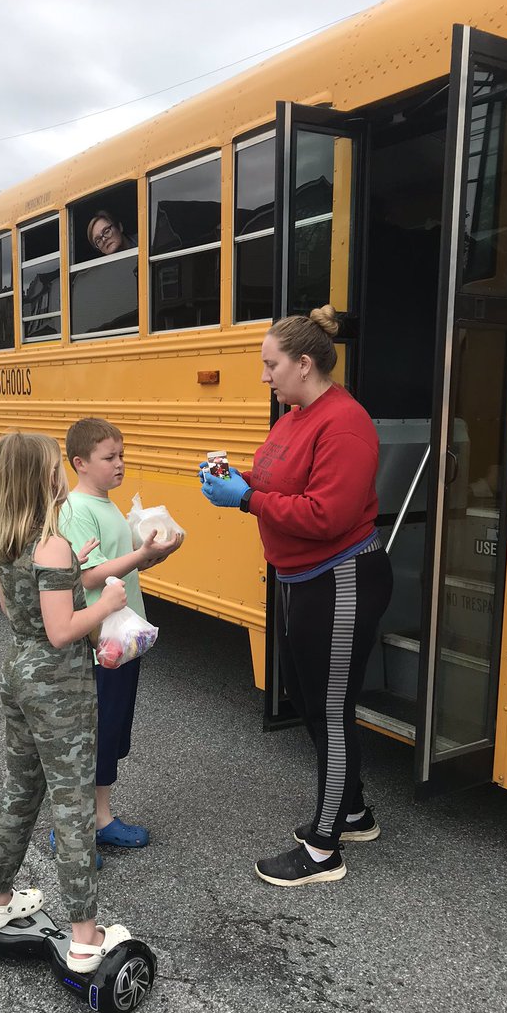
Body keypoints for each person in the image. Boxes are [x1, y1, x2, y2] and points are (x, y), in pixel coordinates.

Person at [200, 305, 393, 888]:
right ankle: (353, 813)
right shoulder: (295, 415)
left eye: (271, 365)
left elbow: (326, 515)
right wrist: (237, 478)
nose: (265, 376)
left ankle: (323, 849)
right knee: (311, 704)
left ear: (304, 364)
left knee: (330, 711)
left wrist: (245, 500)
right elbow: (280, 481)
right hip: (302, 580)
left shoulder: (345, 424)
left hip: (341, 578)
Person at [0, 430, 134, 973]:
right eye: (54, 466)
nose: (62, 473)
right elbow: (62, 631)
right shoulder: (51, 543)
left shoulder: (6, 539)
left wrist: (69, 573)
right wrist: (106, 601)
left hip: (17, 672)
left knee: (20, 790)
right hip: (59, 686)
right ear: (43, 477)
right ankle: (86, 936)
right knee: (73, 804)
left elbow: (15, 608)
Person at [60, 417, 182, 850]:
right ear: (80, 463)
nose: (119, 464)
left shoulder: (107, 505)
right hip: (99, 642)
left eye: (122, 455)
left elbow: (119, 563)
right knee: (94, 733)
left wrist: (152, 554)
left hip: (122, 639)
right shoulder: (77, 510)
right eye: (109, 457)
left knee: (111, 732)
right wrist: (141, 554)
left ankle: (101, 818)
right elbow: (88, 576)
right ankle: (71, 828)